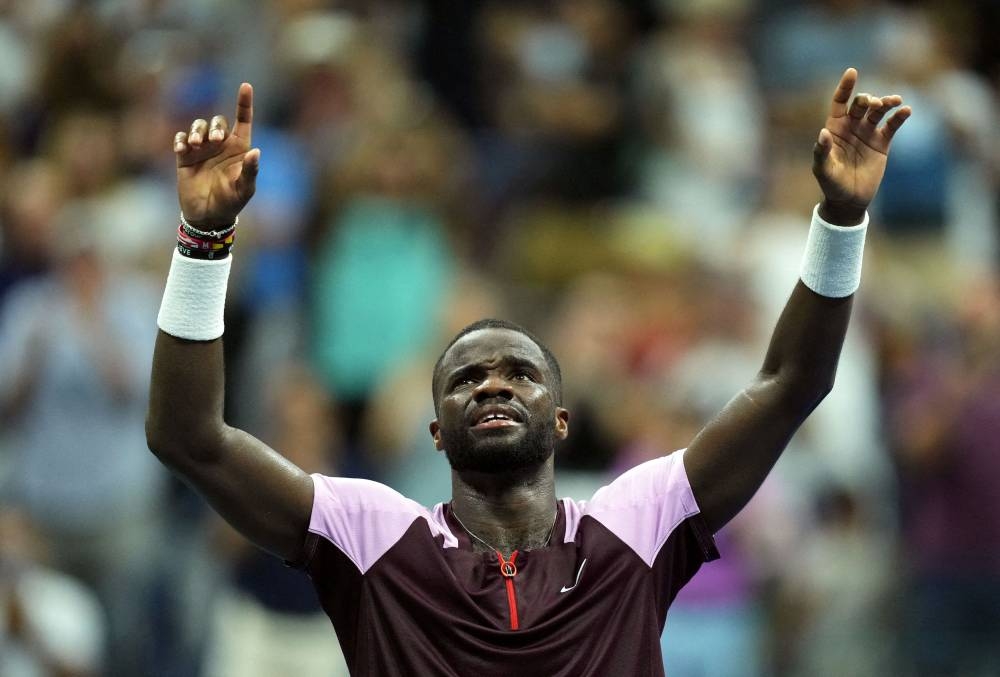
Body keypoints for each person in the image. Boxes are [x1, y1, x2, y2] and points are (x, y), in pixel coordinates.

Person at [146, 68, 910, 675]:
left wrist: (840, 220)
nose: (492, 383)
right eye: (465, 378)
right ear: (437, 432)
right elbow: (189, 437)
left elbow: (790, 384)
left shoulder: (633, 523)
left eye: (520, 372)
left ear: (563, 419)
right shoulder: (372, 534)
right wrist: (205, 238)